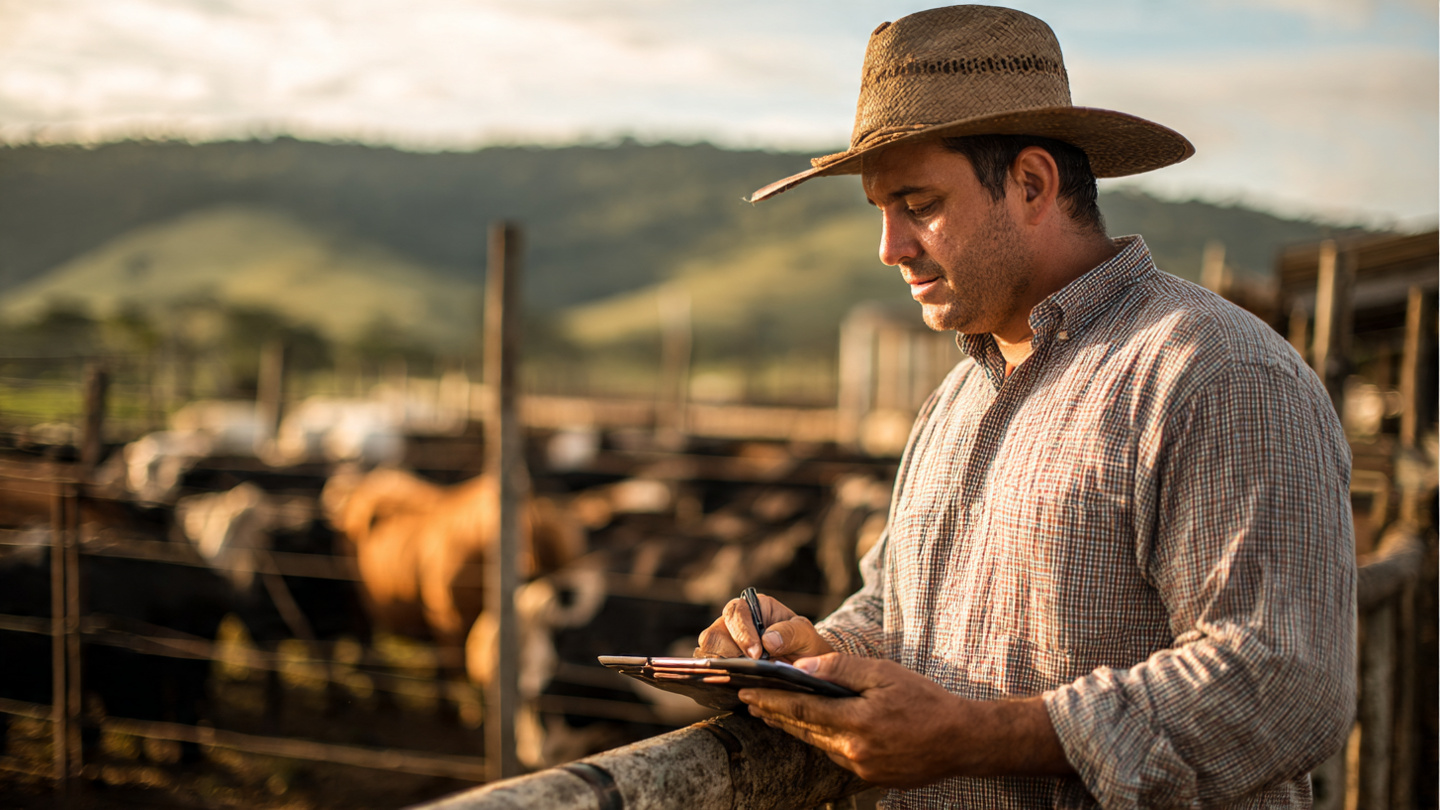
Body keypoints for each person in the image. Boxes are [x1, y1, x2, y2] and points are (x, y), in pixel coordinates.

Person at [696, 6, 1356, 808]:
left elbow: (1281, 682)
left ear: (1033, 185)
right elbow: (898, 610)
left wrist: (976, 735)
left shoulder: (1217, 373)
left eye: (918, 203)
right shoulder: (954, 400)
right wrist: (815, 652)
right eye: (881, 212)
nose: (890, 248)